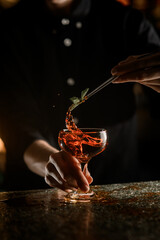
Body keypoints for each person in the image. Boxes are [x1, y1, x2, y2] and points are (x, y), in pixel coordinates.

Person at [0, 0, 160, 192]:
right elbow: (17, 126)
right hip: (33, 195)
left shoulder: (128, 22)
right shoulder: (8, 27)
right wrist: (52, 164)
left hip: (118, 187)